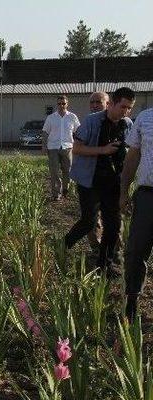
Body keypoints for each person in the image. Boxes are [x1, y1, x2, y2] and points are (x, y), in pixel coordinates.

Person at [65, 87, 135, 276]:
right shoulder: (91, 121)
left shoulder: (127, 124)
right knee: (89, 222)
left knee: (112, 226)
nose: (126, 112)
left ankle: (105, 265)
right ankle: (65, 244)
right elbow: (77, 149)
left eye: (129, 108)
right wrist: (104, 150)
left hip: (113, 182)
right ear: (111, 103)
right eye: (123, 107)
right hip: (90, 180)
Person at [121, 106, 153, 321]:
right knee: (136, 250)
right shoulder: (145, 117)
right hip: (147, 195)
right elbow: (132, 157)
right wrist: (123, 191)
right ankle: (132, 298)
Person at [42, 95, 80, 201]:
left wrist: (79, 145)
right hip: (53, 147)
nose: (61, 105)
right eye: (59, 103)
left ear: (67, 104)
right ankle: (56, 193)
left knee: (68, 171)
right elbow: (45, 132)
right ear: (57, 104)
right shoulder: (51, 118)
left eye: (63, 103)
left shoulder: (72, 117)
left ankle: (65, 190)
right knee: (54, 171)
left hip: (68, 148)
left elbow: (78, 132)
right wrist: (44, 146)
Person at [86, 92, 110, 251]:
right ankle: (96, 247)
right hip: (91, 177)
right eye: (92, 102)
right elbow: (78, 148)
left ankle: (113, 249)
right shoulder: (87, 123)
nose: (94, 105)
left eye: (98, 102)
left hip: (112, 178)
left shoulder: (120, 123)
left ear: (108, 104)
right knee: (91, 216)